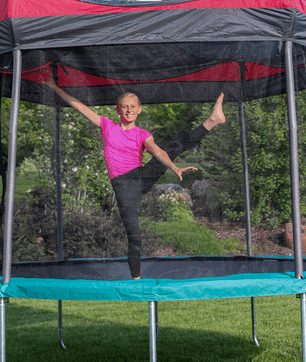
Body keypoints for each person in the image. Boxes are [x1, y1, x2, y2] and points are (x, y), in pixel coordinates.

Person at [44, 78, 225, 279]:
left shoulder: (142, 134)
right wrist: (54, 87)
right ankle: (136, 280)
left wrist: (174, 168)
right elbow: (78, 106)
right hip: (123, 186)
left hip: (140, 177)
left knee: (171, 147)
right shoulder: (107, 126)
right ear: (118, 110)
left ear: (139, 109)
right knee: (134, 235)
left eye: (132, 106)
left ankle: (212, 120)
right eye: (124, 106)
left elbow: (157, 151)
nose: (128, 110)